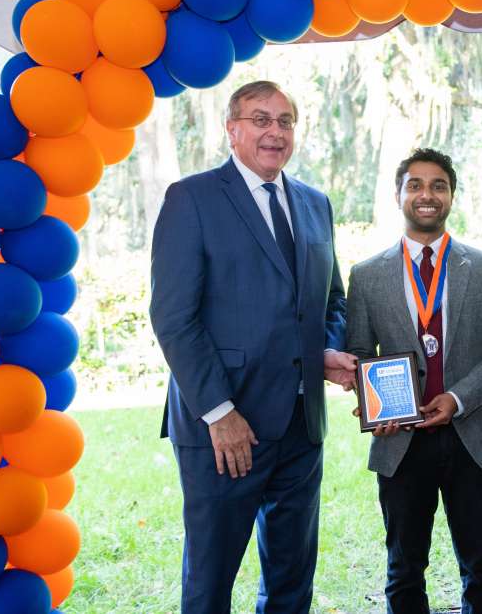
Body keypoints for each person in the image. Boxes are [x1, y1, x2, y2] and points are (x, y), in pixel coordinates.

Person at [149, 80, 356, 614]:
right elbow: (174, 318)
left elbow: (330, 300)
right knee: (210, 581)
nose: (275, 131)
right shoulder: (191, 198)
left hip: (300, 427)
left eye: (285, 121)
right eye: (261, 119)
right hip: (225, 429)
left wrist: (325, 353)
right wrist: (219, 412)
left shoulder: (315, 204)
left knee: (291, 581)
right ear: (232, 129)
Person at [345, 148, 482, 614]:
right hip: (400, 441)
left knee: (481, 569)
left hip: (473, 437)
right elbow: (360, 355)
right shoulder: (366, 276)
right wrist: (372, 403)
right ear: (398, 195)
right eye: (416, 185)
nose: (427, 194)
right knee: (403, 571)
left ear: (451, 196)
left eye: (438, 185)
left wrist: (458, 399)